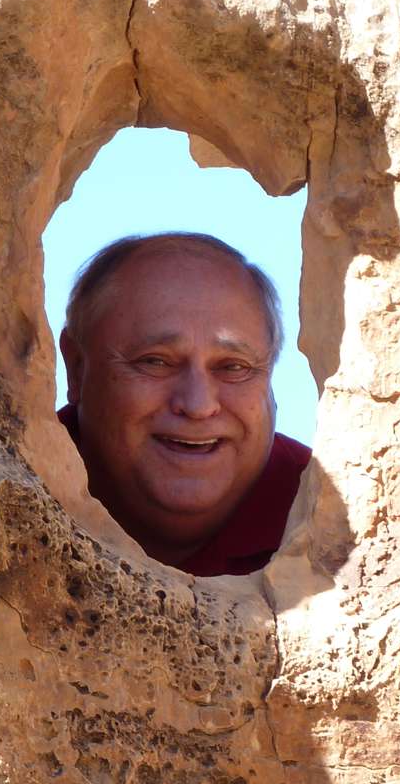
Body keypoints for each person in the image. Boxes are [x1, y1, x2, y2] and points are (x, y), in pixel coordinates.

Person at [58, 233, 311, 575]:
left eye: (233, 367)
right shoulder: (7, 484)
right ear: (77, 368)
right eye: (156, 362)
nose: (197, 405)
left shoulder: (340, 523)